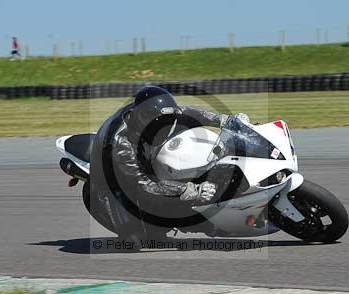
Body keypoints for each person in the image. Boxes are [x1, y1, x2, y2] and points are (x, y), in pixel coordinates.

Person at [89, 85, 248, 240]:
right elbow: (143, 185)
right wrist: (191, 189)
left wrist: (224, 120)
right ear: (144, 120)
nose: (165, 127)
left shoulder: (150, 114)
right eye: (160, 123)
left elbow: (186, 112)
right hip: (113, 179)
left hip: (144, 153)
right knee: (134, 240)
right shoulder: (121, 144)